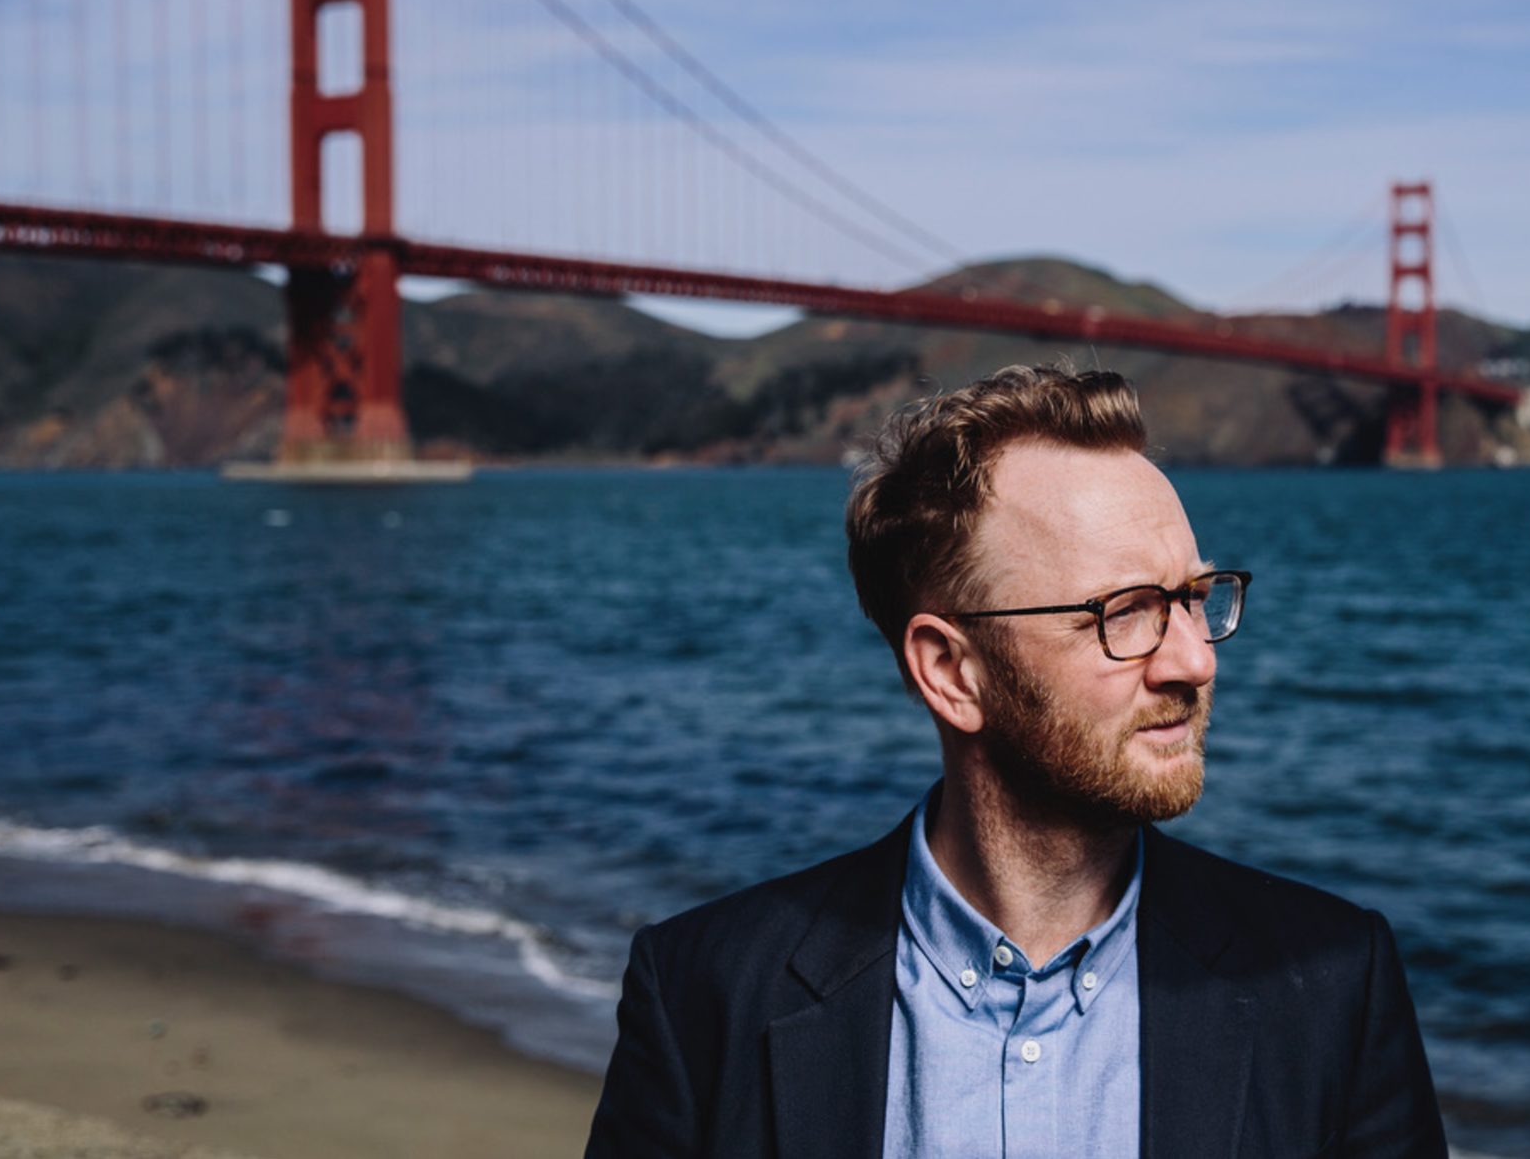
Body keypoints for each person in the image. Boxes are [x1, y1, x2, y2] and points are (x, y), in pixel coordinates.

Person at [585, 365, 1446, 1158]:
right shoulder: (702, 994)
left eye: (1193, 599)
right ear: (953, 672)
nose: (1195, 660)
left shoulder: (1335, 987)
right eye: (1127, 611)